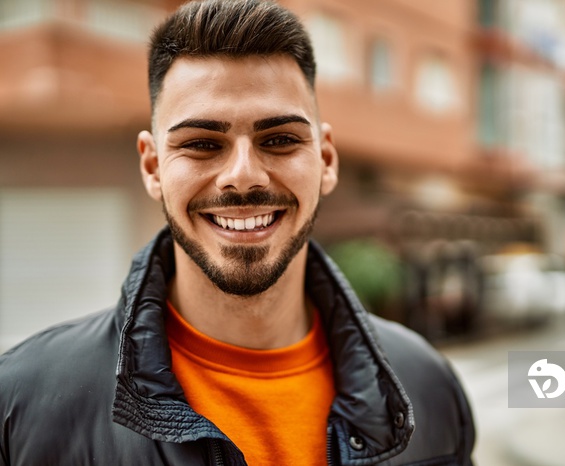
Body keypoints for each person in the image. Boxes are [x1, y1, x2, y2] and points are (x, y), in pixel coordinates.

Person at [0, 0, 476, 464]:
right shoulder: (21, 403)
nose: (244, 175)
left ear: (326, 159)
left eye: (280, 140)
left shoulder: (426, 386)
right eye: (202, 144)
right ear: (152, 166)